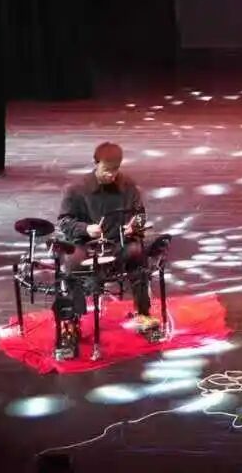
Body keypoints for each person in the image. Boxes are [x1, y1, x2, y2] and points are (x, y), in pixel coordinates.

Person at [53, 141, 161, 361]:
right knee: (72, 263)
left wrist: (134, 226)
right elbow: (64, 221)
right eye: (106, 170)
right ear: (96, 164)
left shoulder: (127, 186)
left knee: (138, 254)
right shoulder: (77, 189)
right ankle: (72, 323)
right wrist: (86, 229)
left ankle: (143, 313)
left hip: (117, 244)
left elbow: (140, 214)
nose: (111, 175)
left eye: (114, 170)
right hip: (87, 245)